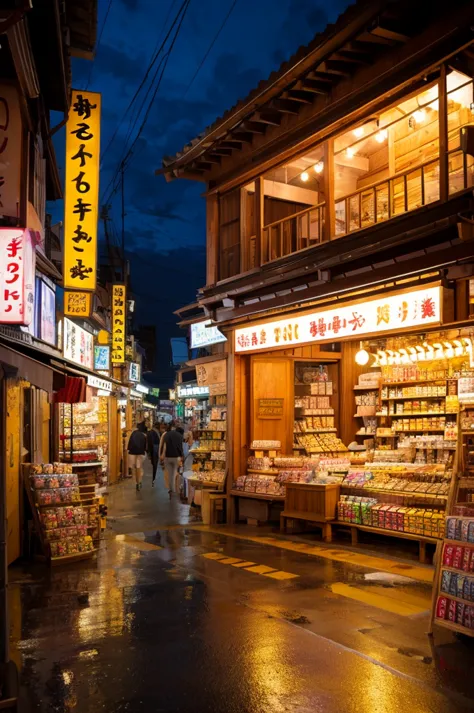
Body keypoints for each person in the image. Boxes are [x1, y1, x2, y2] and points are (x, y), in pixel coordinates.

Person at [159, 421, 184, 498]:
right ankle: (175, 489)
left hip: (168, 457)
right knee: (175, 473)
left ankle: (171, 489)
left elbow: (165, 446)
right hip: (177, 457)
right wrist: (182, 456)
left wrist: (162, 455)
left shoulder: (166, 435)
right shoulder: (179, 436)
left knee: (170, 474)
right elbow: (181, 447)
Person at [127, 422, 147, 491]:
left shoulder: (133, 433)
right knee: (139, 467)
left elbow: (129, 443)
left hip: (132, 452)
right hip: (140, 453)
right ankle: (139, 481)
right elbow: (145, 446)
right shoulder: (143, 435)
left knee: (134, 468)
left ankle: (136, 482)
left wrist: (128, 449)